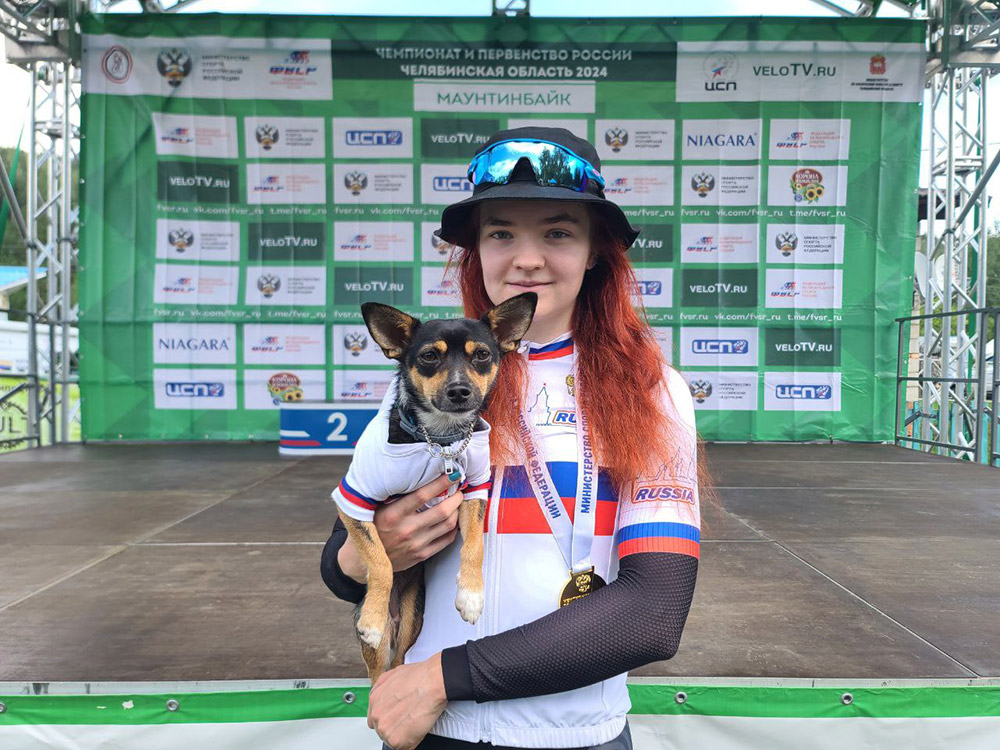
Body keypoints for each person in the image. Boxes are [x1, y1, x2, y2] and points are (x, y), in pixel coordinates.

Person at [320, 127, 702, 750]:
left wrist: (443, 679)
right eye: (500, 234)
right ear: (476, 250)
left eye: (558, 233)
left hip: (575, 736)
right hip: (433, 733)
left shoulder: (649, 390)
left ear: (595, 251)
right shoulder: (430, 378)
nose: (526, 259)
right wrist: (369, 555)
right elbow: (343, 563)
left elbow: (653, 612)